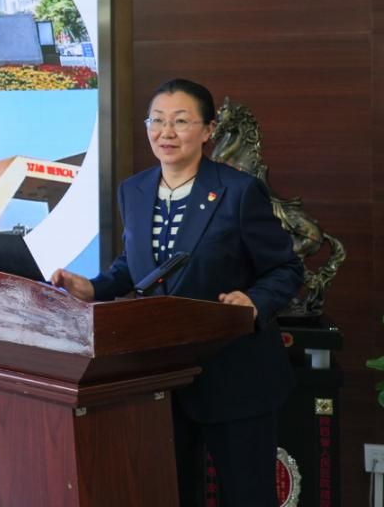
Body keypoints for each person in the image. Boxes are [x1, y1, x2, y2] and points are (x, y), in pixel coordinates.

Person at [51, 78, 303, 507]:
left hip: (235, 376)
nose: (166, 132)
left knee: (247, 496)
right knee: (170, 494)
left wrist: (254, 302)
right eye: (157, 121)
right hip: (159, 378)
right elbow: (136, 266)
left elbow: (286, 268)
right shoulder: (134, 190)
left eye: (181, 121)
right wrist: (92, 287)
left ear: (208, 130)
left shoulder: (238, 191)